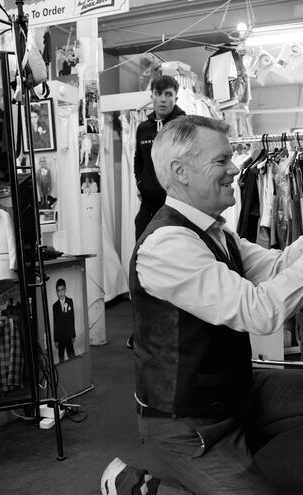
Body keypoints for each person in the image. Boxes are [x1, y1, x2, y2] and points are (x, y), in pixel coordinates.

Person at [100, 115, 303, 495]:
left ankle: (222, 471)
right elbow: (259, 312)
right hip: (185, 423)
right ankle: (140, 493)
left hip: (227, 398)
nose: (237, 168)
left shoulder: (214, 230)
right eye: (222, 159)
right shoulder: (166, 245)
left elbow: (278, 265)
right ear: (181, 173)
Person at [127, 74, 186, 349]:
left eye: (169, 95)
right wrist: (141, 182)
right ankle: (143, 329)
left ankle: (175, 328)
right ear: (152, 95)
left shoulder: (183, 125)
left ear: (175, 98)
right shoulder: (143, 128)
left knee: (175, 263)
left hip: (174, 206)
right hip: (148, 207)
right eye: (159, 94)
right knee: (143, 263)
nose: (163, 100)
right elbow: (138, 160)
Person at [52, 279, 76, 361]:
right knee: (61, 357)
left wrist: (73, 334)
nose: (61, 293)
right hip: (60, 336)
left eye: (62, 290)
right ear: (56, 292)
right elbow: (55, 323)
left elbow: (72, 318)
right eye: (59, 290)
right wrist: (56, 339)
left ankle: (73, 368)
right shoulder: (55, 306)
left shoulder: (70, 301)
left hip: (69, 334)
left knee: (72, 355)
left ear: (65, 289)